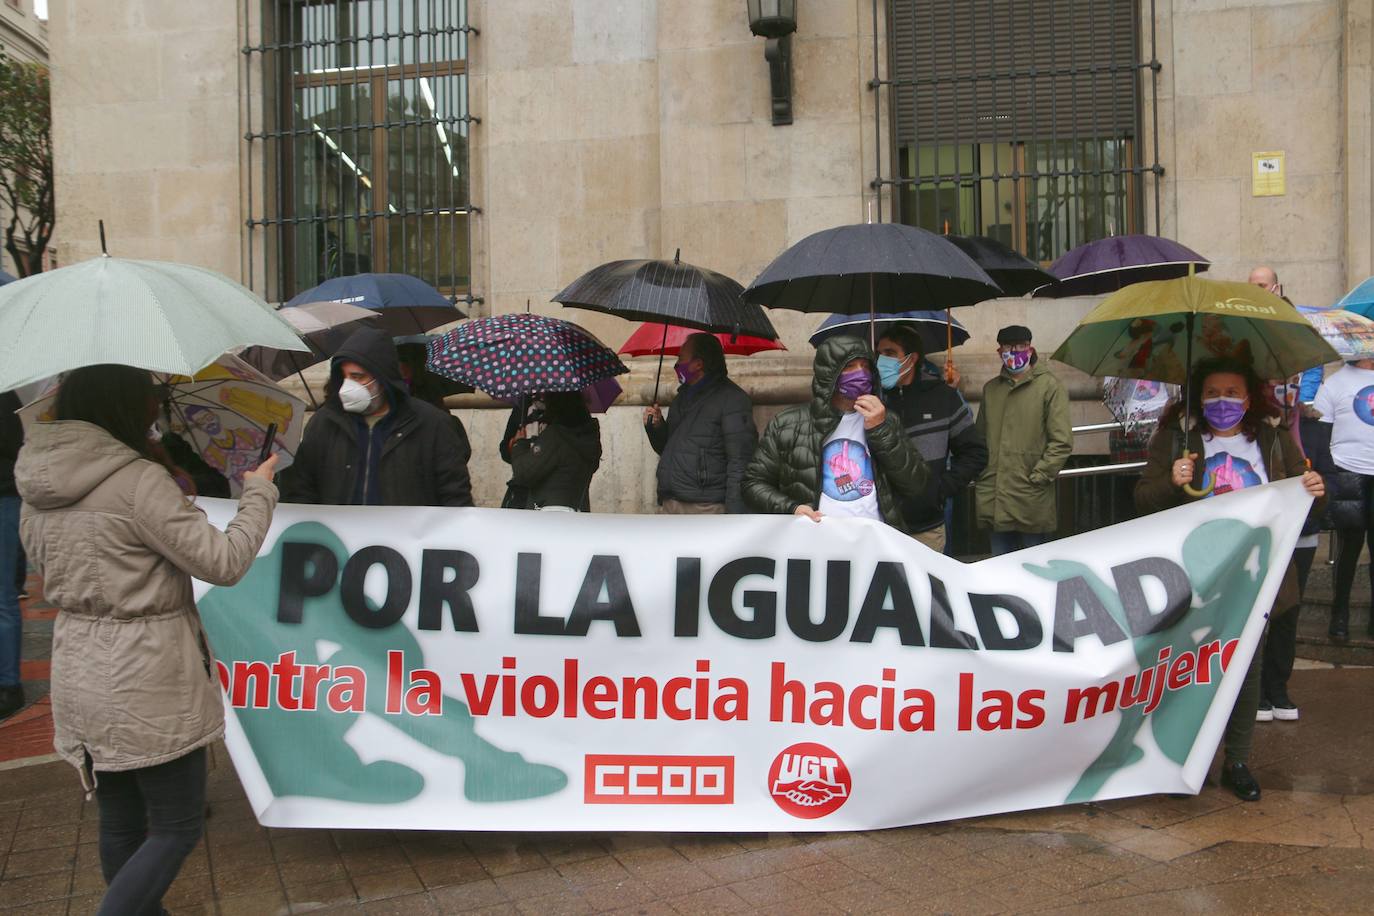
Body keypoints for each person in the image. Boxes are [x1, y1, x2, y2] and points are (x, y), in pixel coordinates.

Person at [14, 364, 280, 912]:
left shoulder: (36, 480)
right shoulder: (137, 482)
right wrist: (258, 495)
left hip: (78, 662)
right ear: (123, 407)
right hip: (146, 670)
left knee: (121, 819)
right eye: (149, 399)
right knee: (177, 826)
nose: (156, 409)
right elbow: (222, 561)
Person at [1135, 358, 1326, 800]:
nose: (1222, 401)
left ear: (1249, 397)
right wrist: (1171, 480)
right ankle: (1183, 756)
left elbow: (1307, 505)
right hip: (1192, 578)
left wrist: (1316, 489)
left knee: (1246, 670)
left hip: (1255, 579)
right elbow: (1144, 500)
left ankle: (1237, 760)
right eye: (1213, 393)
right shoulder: (1176, 441)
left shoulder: (1275, 443)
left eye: (1232, 393)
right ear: (1199, 398)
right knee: (1190, 670)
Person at [743, 335, 928, 528]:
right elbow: (753, 484)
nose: (861, 373)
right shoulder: (788, 424)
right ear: (829, 373)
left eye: (865, 366)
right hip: (817, 544)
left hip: (875, 542)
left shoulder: (886, 419)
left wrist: (881, 430)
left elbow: (916, 485)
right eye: (850, 366)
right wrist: (792, 508)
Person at [284, 327, 473, 507]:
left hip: (408, 538)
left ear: (383, 378)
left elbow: (455, 496)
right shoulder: (324, 423)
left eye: (358, 377)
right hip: (338, 538)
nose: (348, 386)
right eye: (344, 377)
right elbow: (301, 489)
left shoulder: (431, 424)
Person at [876, 325, 987, 552]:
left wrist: (940, 489)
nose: (881, 360)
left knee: (928, 588)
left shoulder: (943, 397)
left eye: (890, 353)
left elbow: (975, 452)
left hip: (926, 528)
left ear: (912, 358)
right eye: (879, 353)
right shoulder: (873, 399)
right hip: (879, 526)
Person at [975, 325, 1073, 554]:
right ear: (1000, 352)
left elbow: (1061, 441)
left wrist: (1039, 476)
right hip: (996, 494)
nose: (1015, 352)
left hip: (1030, 494)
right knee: (999, 567)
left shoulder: (1050, 386)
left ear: (1030, 349)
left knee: (1035, 565)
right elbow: (980, 438)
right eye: (1009, 347)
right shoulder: (991, 389)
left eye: (1020, 346)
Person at [643, 333, 757, 514]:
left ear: (698, 363)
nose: (677, 364)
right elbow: (670, 448)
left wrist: (735, 514)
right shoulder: (682, 397)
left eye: (681, 358)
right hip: (671, 502)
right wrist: (656, 427)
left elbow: (740, 461)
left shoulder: (733, 400)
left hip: (705, 506)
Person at [1312, 356, 1374, 640]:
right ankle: (1339, 616)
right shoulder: (1335, 383)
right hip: (1347, 473)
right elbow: (1321, 433)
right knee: (1348, 549)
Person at [504, 391, 602, 511]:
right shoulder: (587, 435)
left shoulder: (556, 436)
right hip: (577, 510)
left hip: (549, 513)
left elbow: (523, 473)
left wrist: (519, 444)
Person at [0, 390, 23, 720]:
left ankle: (8, 684)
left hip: (4, 496)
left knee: (2, 595)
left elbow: (13, 446)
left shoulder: (5, 389)